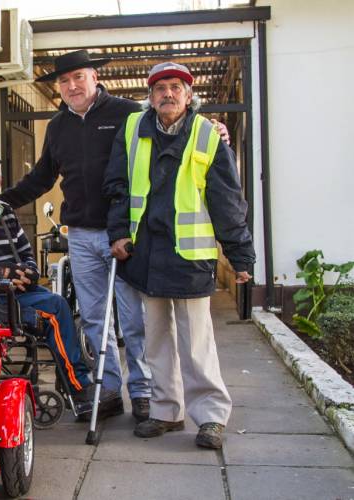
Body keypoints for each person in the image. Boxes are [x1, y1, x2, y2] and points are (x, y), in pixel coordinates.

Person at [104, 62, 255, 449]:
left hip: (189, 255)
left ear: (189, 95)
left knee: (196, 343)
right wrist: (119, 232)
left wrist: (240, 255)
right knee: (156, 340)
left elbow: (226, 199)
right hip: (146, 253)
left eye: (175, 87)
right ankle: (166, 411)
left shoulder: (207, 134)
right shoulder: (134, 128)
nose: (167, 94)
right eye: (159, 89)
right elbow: (118, 185)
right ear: (150, 97)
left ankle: (210, 417)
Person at [0, 50, 151, 422]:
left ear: (94, 78)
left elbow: (167, 133)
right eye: (64, 81)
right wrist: (0, 201)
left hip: (124, 233)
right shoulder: (58, 127)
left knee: (133, 318)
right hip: (80, 234)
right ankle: (109, 390)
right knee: (96, 319)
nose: (71, 86)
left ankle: (144, 391)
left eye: (78, 77)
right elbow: (42, 178)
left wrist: (216, 131)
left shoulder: (128, 113)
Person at [0, 150, 121, 414]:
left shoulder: (5, 211)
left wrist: (27, 271)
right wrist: (2, 274)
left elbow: (27, 253)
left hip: (16, 294)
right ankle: (80, 387)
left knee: (58, 303)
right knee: (53, 312)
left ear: (0, 180)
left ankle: (78, 384)